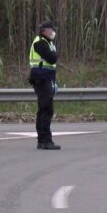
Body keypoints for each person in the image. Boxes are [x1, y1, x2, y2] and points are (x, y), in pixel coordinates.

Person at [29, 21, 61, 150]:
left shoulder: (48, 43)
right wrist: (54, 55)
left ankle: (42, 140)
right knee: (46, 109)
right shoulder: (40, 43)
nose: (53, 32)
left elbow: (52, 59)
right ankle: (45, 140)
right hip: (41, 78)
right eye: (51, 29)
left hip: (45, 78)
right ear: (44, 31)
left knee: (44, 109)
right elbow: (52, 58)